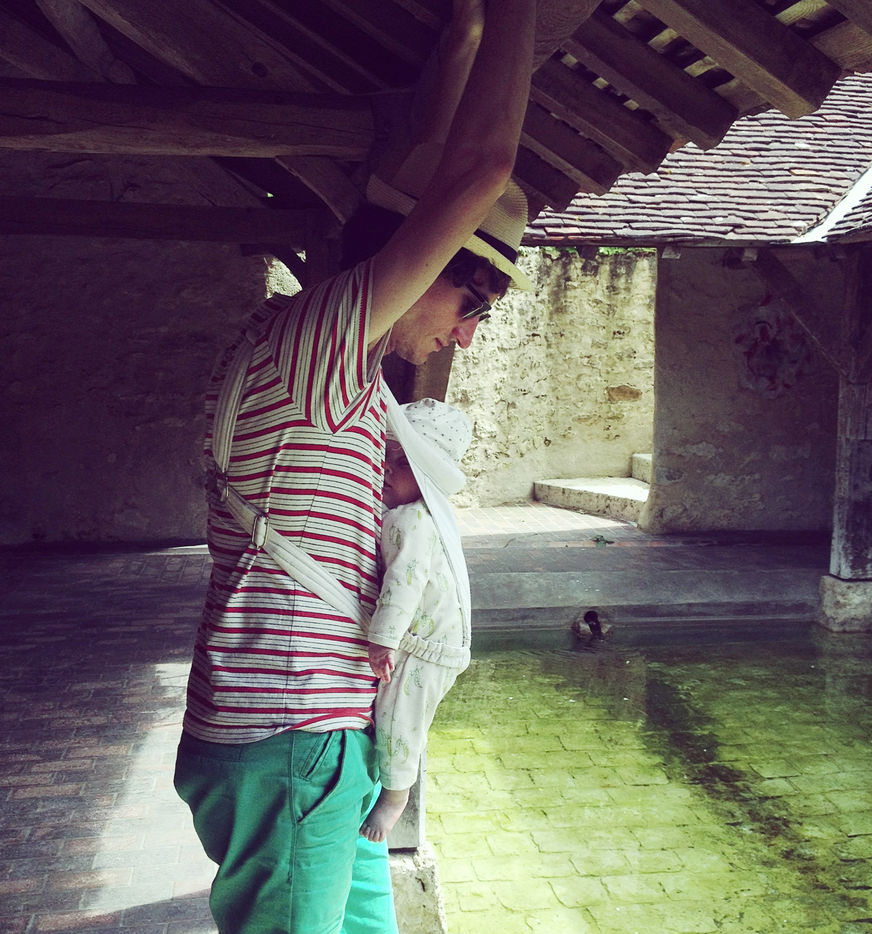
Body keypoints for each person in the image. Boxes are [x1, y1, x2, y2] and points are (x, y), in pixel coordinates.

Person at [172, 1, 536, 932]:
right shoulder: (315, 348)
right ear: (422, 264)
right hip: (289, 734)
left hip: (321, 737)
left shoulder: (319, 361)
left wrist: (460, 43)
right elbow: (478, 172)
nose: (465, 333)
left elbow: (399, 192)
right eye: (471, 302)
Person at [359, 399, 474, 843]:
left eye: (403, 462)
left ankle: (395, 797)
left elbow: (403, 584)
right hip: (435, 643)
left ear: (429, 476)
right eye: (385, 456)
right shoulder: (427, 517)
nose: (387, 468)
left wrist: (383, 640)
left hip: (427, 647)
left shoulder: (411, 520)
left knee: (398, 720)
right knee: (403, 716)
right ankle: (393, 784)